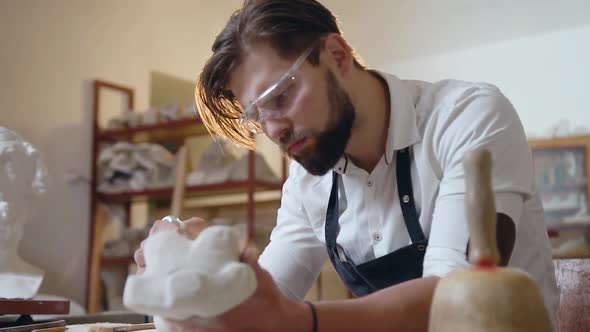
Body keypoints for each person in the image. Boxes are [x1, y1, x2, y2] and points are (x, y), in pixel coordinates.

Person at [134, 0, 559, 331]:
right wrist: (204, 279)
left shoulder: (467, 118)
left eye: (281, 96)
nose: (275, 129)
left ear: (336, 55)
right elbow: (265, 298)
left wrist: (301, 322)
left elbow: (455, 301)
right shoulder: (307, 186)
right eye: (257, 116)